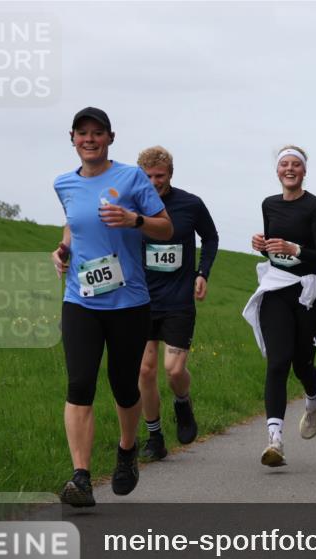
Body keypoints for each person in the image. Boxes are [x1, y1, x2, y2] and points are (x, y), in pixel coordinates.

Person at [51, 107, 173, 507]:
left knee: (124, 386)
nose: (89, 139)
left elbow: (165, 227)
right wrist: (63, 248)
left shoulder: (132, 178)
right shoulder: (63, 183)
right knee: (80, 384)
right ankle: (81, 478)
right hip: (80, 300)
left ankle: (126, 451)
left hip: (128, 302)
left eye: (97, 133)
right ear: (72, 138)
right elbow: (73, 221)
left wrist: (134, 220)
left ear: (110, 138)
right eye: (82, 133)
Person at [243, 146, 316, 468]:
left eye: (296, 164)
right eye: (285, 164)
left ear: (304, 171)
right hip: (276, 290)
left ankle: (313, 399)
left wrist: (294, 248)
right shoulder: (269, 204)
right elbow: (274, 251)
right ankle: (275, 440)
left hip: (307, 294)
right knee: (278, 362)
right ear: (277, 170)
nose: (290, 169)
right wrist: (261, 246)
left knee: (302, 365)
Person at [135, 146, 220, 461]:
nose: (154, 182)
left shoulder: (190, 204)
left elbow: (210, 238)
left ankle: (182, 401)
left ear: (170, 174)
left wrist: (202, 273)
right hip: (141, 299)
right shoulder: (133, 205)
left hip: (178, 300)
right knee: (144, 370)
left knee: (173, 370)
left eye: (160, 176)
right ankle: (154, 436)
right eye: (148, 177)